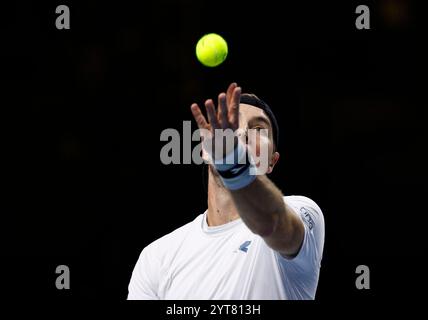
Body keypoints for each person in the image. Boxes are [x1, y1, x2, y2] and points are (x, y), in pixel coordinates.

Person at [128, 83, 325, 299]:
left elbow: (274, 224)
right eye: (232, 126)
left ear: (272, 161)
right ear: (205, 150)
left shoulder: (304, 211)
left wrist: (234, 164)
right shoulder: (156, 257)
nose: (240, 133)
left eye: (258, 129)